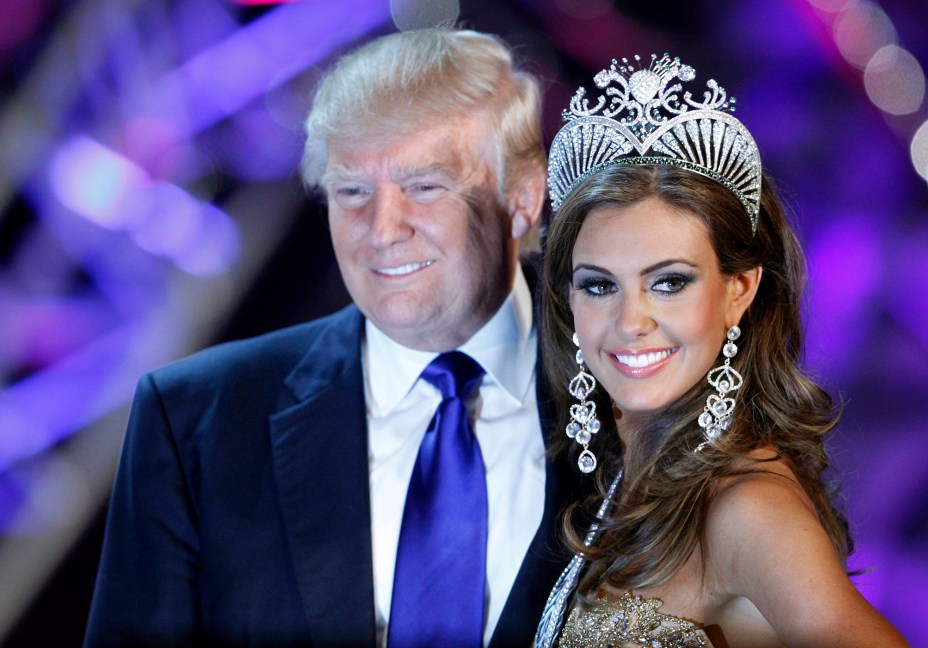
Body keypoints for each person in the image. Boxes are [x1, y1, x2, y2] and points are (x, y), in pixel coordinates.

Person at [85, 29, 576, 648]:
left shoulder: (636, 397)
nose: (382, 228)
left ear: (522, 198)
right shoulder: (195, 419)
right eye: (352, 192)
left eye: (424, 185)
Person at [533, 53, 910, 647]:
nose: (631, 321)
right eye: (600, 285)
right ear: (568, 300)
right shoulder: (628, 484)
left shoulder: (748, 507)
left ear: (739, 290)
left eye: (670, 282)